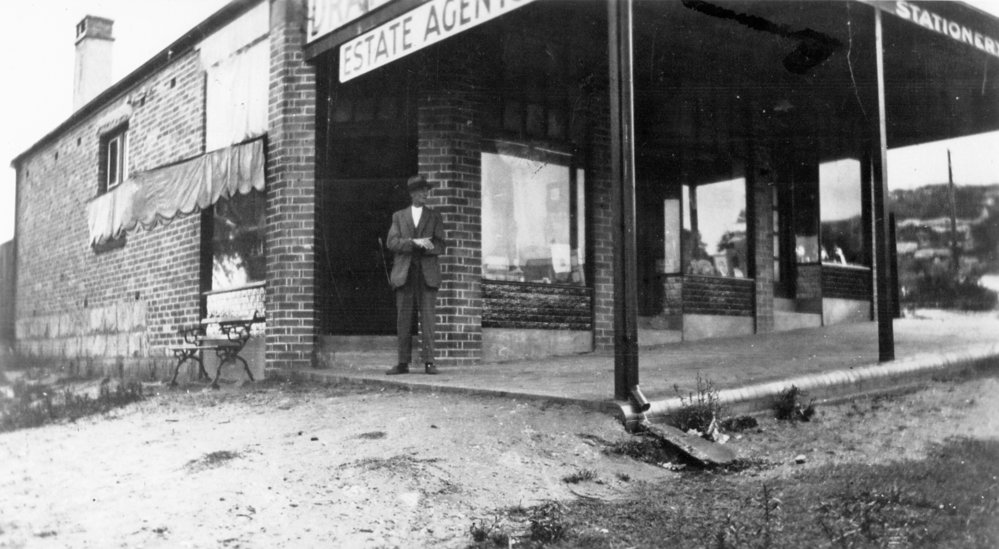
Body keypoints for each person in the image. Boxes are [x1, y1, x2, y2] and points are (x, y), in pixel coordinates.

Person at [384, 175, 446, 375]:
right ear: (412, 194)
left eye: (427, 191)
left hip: (427, 273)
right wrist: (413, 243)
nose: (425, 194)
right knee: (403, 318)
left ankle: (429, 362)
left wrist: (427, 246)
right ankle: (403, 363)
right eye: (421, 191)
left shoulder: (435, 216)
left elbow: (440, 244)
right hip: (405, 273)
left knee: (428, 318)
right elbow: (391, 243)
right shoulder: (399, 217)